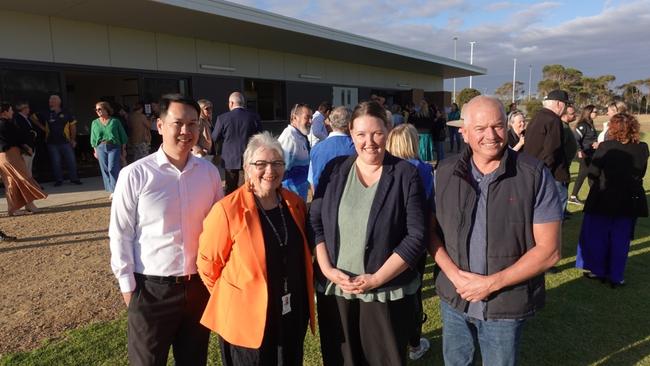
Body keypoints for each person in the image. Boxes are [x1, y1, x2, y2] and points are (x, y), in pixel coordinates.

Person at [431, 96, 562, 366]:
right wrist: (455, 277)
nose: (491, 135)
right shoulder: (444, 172)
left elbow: (549, 252)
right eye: (480, 129)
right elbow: (430, 234)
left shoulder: (533, 174)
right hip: (454, 299)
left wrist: (490, 284)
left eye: (498, 126)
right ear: (464, 133)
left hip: (504, 304)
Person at [109, 94, 224, 366]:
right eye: (178, 123)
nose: (186, 131)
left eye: (193, 124)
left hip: (197, 287)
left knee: (194, 360)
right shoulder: (135, 175)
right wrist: (128, 288)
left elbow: (220, 229)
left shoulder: (209, 174)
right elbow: (120, 233)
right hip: (151, 290)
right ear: (159, 126)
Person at [310, 101, 427, 365]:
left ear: (388, 130)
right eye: (361, 134)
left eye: (376, 133)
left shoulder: (405, 174)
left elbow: (416, 236)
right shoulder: (334, 170)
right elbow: (315, 220)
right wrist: (327, 269)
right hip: (337, 291)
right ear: (351, 133)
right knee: (342, 359)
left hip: (384, 293)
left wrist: (376, 278)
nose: (369, 142)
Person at [197, 132, 315, 365]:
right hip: (247, 319)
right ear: (247, 167)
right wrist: (237, 296)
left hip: (290, 311)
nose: (270, 171)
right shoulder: (227, 211)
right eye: (260, 164)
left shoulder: (295, 204)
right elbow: (208, 265)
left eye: (277, 163)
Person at [576, 112, 648, 288]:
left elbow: (593, 172)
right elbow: (641, 172)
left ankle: (598, 270)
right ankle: (616, 275)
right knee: (620, 239)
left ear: (613, 128)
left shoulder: (606, 147)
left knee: (598, 236)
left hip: (604, 197)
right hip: (629, 200)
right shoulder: (642, 148)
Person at [385, 123, 432, 361]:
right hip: (414, 241)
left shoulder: (385, 169)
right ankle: (413, 343)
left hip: (389, 240)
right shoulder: (421, 170)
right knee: (412, 292)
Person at [523, 89, 570, 218]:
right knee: (554, 216)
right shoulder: (553, 120)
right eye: (566, 104)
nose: (565, 108)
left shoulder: (536, 117)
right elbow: (552, 150)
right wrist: (545, 173)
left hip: (533, 170)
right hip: (552, 175)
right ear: (559, 104)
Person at [0, 102, 47, 216]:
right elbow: (17, 137)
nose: (12, 112)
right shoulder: (6, 124)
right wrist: (26, 145)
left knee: (11, 182)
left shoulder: (6, 123)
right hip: (11, 155)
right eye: (10, 110)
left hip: (2, 157)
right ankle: (28, 205)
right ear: (5, 112)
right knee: (24, 178)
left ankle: (14, 209)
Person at [212, 92, 262, 194]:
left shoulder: (222, 118)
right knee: (247, 188)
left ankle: (231, 208)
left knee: (230, 188)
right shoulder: (254, 117)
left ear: (231, 103)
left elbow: (215, 137)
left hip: (229, 158)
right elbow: (260, 137)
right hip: (249, 157)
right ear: (243, 103)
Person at [33, 94, 82, 186]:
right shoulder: (45, 112)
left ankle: (74, 178)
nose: (51, 101)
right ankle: (59, 180)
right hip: (51, 142)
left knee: (71, 161)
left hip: (66, 141)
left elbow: (73, 127)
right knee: (56, 162)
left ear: (59, 102)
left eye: (53, 99)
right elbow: (33, 117)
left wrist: (73, 139)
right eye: (50, 100)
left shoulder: (67, 112)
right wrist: (42, 127)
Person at [308, 106, 355, 192]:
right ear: (350, 124)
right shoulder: (356, 148)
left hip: (322, 198)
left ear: (330, 123)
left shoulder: (315, 149)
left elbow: (312, 182)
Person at [90, 101, 127, 193]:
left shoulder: (115, 121)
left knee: (112, 168)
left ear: (106, 109)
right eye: (96, 109)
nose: (97, 111)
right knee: (105, 170)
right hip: (100, 147)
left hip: (114, 146)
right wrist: (95, 151)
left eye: (99, 109)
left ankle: (116, 190)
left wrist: (124, 150)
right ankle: (111, 191)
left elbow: (123, 136)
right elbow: (93, 138)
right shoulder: (94, 123)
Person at [278, 103, 312, 200]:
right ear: (294, 118)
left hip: (298, 197)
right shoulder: (290, 139)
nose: (310, 121)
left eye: (311, 117)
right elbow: (280, 171)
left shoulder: (299, 136)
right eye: (307, 117)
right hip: (289, 198)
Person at [569, 105, 599, 205]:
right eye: (595, 111)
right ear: (588, 112)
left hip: (591, 154)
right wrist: (579, 151)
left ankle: (594, 196)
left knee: (590, 175)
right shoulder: (582, 125)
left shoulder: (590, 123)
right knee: (584, 174)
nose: (596, 113)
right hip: (584, 155)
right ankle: (573, 197)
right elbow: (576, 139)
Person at [13, 102, 38, 178]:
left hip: (31, 146)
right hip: (25, 148)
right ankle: (26, 186)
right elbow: (21, 134)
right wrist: (26, 147)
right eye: (26, 108)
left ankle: (31, 185)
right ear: (22, 109)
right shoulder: (18, 119)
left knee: (29, 168)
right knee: (25, 168)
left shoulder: (27, 118)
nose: (28, 109)